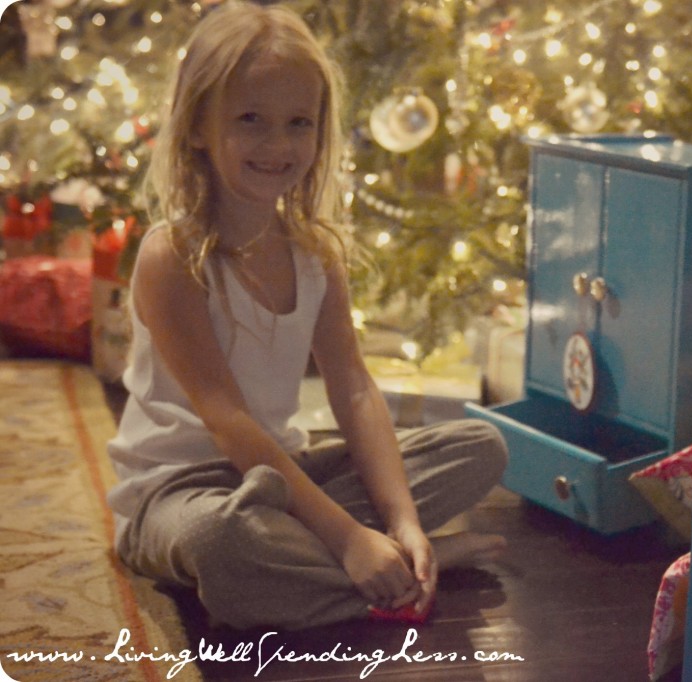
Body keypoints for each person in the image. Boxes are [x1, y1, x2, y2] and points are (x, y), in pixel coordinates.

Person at [106, 1, 508, 630]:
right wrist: (349, 537)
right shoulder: (173, 256)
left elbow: (352, 387)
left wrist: (400, 516)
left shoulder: (315, 255)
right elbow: (227, 421)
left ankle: (370, 556)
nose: (278, 145)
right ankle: (400, 569)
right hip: (179, 493)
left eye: (300, 122)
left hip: (281, 477)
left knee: (480, 445)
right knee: (225, 544)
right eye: (250, 120)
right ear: (194, 127)